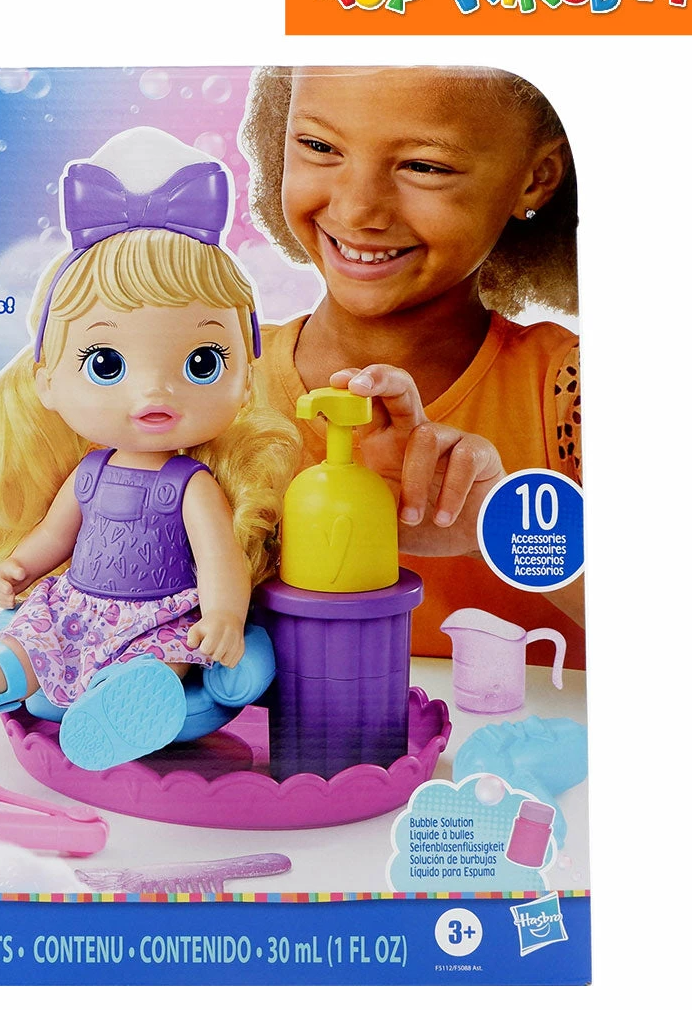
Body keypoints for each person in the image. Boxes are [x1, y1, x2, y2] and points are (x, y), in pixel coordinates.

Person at [0, 128, 299, 770]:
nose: (154, 390)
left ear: (244, 379)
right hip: (77, 603)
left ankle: (127, 709)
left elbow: (219, 558)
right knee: (30, 641)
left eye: (202, 362)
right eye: (107, 363)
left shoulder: (193, 485)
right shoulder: (90, 472)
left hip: (158, 612)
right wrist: (20, 565)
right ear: (47, 380)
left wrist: (221, 614)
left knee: (164, 655)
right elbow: (56, 535)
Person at [240, 66, 584, 665]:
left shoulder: (568, 392)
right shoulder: (205, 383)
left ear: (536, 178)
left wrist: (496, 523)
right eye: (319, 146)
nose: (358, 209)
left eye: (424, 166)